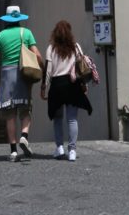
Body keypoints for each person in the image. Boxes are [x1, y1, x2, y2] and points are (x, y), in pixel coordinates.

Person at [0, 5, 43, 162]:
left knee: (9, 115)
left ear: (7, 20)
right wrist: (41, 68)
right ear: (19, 19)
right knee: (26, 111)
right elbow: (37, 54)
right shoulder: (26, 33)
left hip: (6, 75)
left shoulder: (0, 36)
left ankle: (13, 151)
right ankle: (24, 136)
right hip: (22, 74)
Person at [41, 20, 93, 162]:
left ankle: (59, 148)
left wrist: (44, 88)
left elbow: (48, 72)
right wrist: (84, 86)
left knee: (57, 119)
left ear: (55, 34)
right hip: (72, 85)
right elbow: (82, 68)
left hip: (57, 86)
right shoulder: (76, 47)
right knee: (72, 119)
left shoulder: (51, 49)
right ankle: (72, 151)